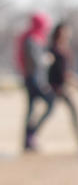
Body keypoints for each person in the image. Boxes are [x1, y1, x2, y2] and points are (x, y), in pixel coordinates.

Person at [46, 21, 78, 151]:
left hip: (62, 87)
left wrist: (76, 82)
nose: (67, 34)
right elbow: (54, 71)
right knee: (49, 112)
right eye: (64, 31)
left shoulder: (64, 49)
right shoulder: (53, 50)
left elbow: (67, 71)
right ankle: (30, 135)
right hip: (56, 87)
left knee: (56, 112)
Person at [15, 11, 54, 152]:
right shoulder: (32, 39)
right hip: (34, 80)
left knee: (31, 110)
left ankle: (28, 140)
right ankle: (31, 136)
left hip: (31, 79)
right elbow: (36, 62)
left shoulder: (32, 37)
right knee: (49, 103)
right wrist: (47, 59)